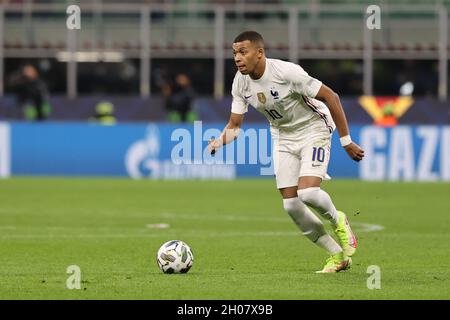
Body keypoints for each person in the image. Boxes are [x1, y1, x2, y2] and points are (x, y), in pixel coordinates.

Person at [208, 31, 365, 273]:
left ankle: (338, 220)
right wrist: (219, 141)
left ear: (259, 53)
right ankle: (337, 256)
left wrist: (346, 141)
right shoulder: (240, 83)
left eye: (243, 52)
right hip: (282, 136)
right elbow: (235, 126)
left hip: (314, 128)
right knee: (291, 205)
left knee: (309, 193)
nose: (237, 58)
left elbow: (330, 97)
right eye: (234, 53)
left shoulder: (286, 73)